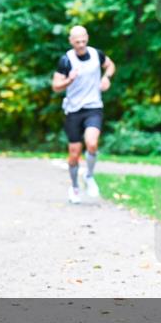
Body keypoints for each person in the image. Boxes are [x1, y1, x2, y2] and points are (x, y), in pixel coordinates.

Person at [52, 26, 115, 204]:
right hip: (73, 110)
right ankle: (74, 187)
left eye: (83, 40)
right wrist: (69, 80)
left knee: (92, 143)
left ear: (87, 37)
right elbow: (56, 86)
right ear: (71, 41)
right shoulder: (66, 60)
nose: (81, 44)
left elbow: (110, 65)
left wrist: (106, 78)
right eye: (77, 42)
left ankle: (89, 176)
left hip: (93, 107)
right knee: (74, 154)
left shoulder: (97, 54)